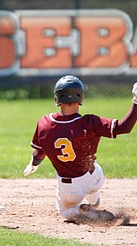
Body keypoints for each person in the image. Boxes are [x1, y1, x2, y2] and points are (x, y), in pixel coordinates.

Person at [23, 75, 137, 221]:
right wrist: (135, 102)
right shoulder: (89, 122)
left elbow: (40, 151)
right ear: (80, 98)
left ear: (57, 98)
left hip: (70, 188)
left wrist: (34, 163)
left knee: (65, 212)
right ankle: (94, 200)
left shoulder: (44, 124)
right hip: (95, 175)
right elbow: (124, 127)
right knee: (95, 176)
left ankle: (83, 211)